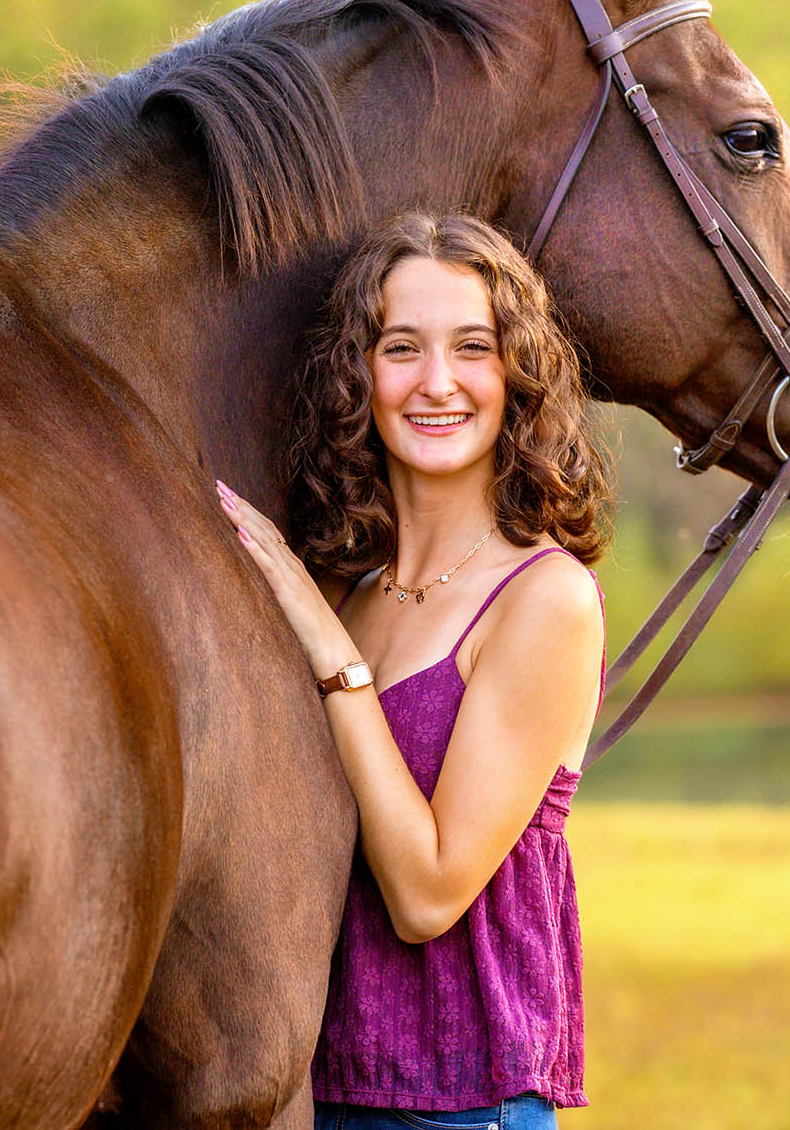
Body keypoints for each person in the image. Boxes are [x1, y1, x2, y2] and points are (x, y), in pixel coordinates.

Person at [216, 210, 613, 1129]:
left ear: (516, 374)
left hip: (464, 1105)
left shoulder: (542, 598)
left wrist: (333, 658)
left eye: (473, 346)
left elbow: (427, 894)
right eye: (402, 347)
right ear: (359, 374)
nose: (437, 382)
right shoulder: (345, 590)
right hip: (310, 1091)